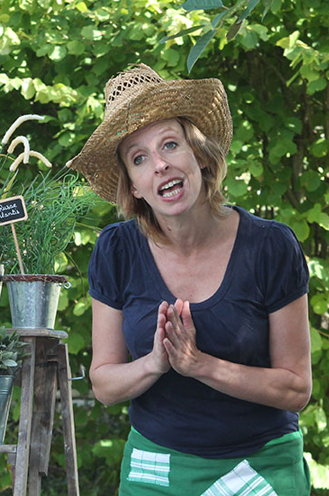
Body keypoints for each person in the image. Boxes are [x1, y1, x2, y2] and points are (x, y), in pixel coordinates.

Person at [66, 64, 312, 494]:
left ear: (198, 154)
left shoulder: (271, 247)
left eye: (170, 144)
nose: (160, 164)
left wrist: (201, 365)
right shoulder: (116, 250)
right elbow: (104, 384)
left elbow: (295, 389)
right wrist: (153, 364)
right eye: (139, 158)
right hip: (156, 466)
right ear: (134, 186)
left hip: (261, 464)